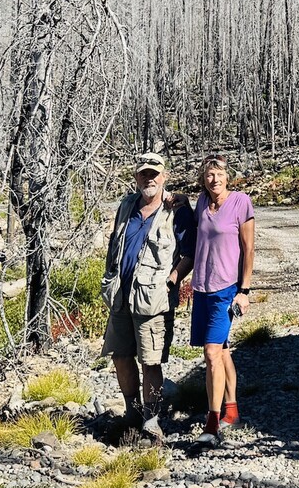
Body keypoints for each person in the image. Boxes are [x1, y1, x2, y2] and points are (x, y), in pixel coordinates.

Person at [100, 152, 193, 440]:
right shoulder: (127, 205)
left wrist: (173, 279)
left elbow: (190, 252)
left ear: (164, 176)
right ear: (136, 177)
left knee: (150, 360)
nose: (149, 178)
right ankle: (132, 412)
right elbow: (114, 245)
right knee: (120, 356)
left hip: (153, 298)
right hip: (121, 295)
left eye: (154, 173)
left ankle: (151, 421)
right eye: (143, 174)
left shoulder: (176, 208)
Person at [182, 154, 254, 444]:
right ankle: (232, 412)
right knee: (222, 351)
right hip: (202, 287)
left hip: (226, 289)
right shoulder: (202, 202)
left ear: (228, 177)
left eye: (219, 174)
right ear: (203, 179)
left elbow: (248, 249)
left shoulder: (240, 202)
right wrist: (179, 200)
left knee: (211, 353)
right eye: (209, 175)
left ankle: (211, 425)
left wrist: (244, 291)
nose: (215, 179)